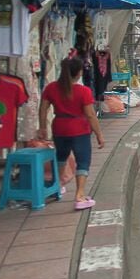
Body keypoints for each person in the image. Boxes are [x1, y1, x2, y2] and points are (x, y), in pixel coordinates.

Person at [37, 58, 105, 210]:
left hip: (59, 127)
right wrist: (99, 134)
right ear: (79, 73)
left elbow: (43, 108)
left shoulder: (51, 88)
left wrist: (42, 127)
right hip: (79, 129)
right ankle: (79, 196)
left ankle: (58, 186)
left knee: (61, 157)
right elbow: (90, 115)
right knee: (83, 160)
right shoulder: (84, 91)